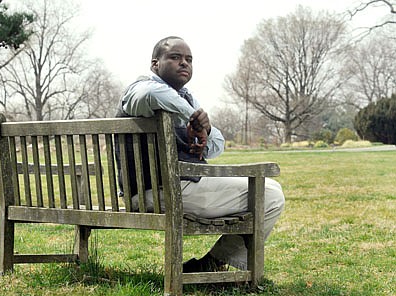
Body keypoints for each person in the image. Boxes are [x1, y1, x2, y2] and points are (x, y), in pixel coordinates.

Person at [115, 36, 285, 272]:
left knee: (270, 190)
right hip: (156, 193)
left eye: (189, 59)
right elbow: (150, 96)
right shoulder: (139, 90)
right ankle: (213, 263)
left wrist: (203, 128)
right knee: (269, 195)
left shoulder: (186, 96)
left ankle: (212, 263)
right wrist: (192, 116)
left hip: (177, 189)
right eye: (175, 57)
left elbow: (217, 146)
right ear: (155, 64)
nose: (184, 63)